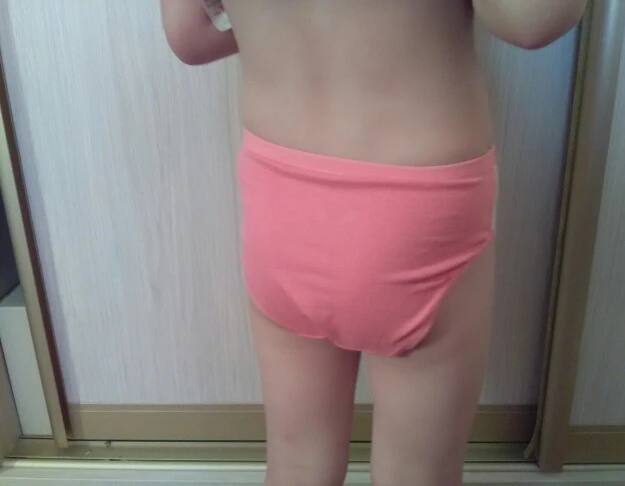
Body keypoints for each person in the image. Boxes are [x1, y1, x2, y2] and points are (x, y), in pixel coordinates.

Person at [160, 1, 587, 485]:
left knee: (297, 462)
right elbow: (533, 21)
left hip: (281, 199)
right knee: (417, 471)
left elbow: (189, 35)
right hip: (415, 215)